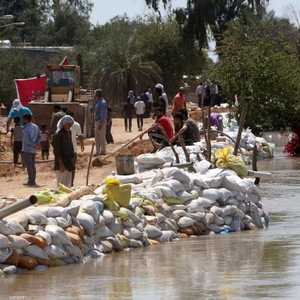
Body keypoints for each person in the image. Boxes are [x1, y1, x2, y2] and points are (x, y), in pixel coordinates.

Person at [52, 115, 76, 187]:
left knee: (68, 185)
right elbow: (57, 151)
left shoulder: (68, 133)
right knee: (61, 185)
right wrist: (61, 164)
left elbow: (70, 146)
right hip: (61, 163)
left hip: (68, 162)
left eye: (71, 125)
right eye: (68, 124)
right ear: (64, 123)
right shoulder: (58, 134)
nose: (69, 126)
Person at [22, 114, 41, 186]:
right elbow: (39, 136)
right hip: (33, 149)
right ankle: (32, 180)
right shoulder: (36, 126)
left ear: (26, 119)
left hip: (27, 149)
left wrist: (33, 145)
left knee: (29, 166)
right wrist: (36, 145)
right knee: (32, 166)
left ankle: (31, 181)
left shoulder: (26, 128)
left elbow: (27, 140)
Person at [94, 89, 108, 156]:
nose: (94, 95)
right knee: (97, 137)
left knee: (101, 137)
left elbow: (103, 114)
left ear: (97, 94)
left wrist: (101, 123)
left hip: (100, 121)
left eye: (95, 94)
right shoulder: (98, 102)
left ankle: (103, 151)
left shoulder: (102, 102)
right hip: (97, 121)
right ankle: (97, 151)